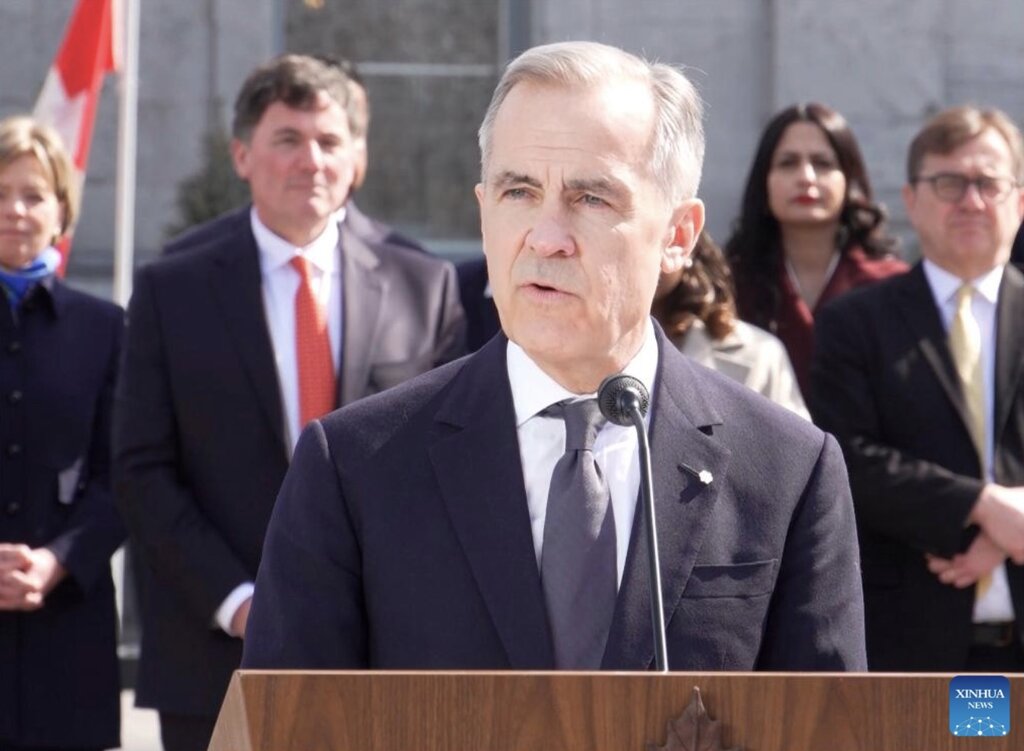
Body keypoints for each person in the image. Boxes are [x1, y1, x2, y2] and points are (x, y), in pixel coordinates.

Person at [242, 41, 867, 673]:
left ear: (677, 236)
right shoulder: (354, 467)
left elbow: (826, 726)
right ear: (484, 212)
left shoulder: (789, 471)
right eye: (519, 192)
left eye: (591, 199)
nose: (545, 238)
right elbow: (290, 724)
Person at [113, 54, 465, 751]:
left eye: (330, 141)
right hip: (213, 653)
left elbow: (449, 464)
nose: (312, 160)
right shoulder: (172, 289)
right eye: (288, 139)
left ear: (358, 158)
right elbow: (141, 468)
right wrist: (241, 602)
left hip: (384, 650)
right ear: (242, 154)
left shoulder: (424, 285)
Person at [811, 106, 1024, 671]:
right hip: (914, 646)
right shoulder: (853, 323)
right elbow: (843, 461)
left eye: (989, 183)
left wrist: (1008, 533)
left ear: (1020, 201)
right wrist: (978, 506)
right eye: (949, 182)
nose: (971, 200)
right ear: (910, 199)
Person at [0, 116, 124, 750]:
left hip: (68, 630)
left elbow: (125, 473)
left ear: (61, 210)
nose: (14, 210)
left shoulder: (105, 329)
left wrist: (56, 561)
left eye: (32, 194)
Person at [726, 103, 907, 395]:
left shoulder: (892, 285)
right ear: (764, 182)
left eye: (822, 163)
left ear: (850, 179)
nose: (806, 177)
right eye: (788, 163)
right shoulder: (729, 284)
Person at [653, 229, 808, 418]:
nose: (643, 252)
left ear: (687, 242)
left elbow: (792, 445)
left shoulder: (759, 353)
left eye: (657, 235)